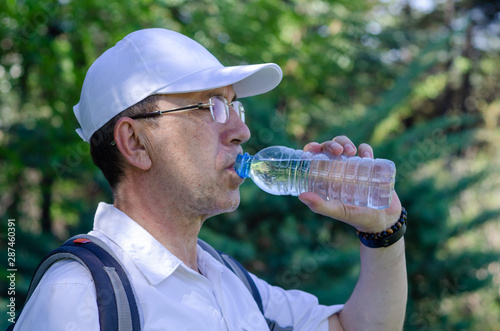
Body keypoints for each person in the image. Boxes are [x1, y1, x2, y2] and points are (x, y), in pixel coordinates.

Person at [14, 28, 407, 330]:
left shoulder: (230, 280)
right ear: (135, 143)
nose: (241, 130)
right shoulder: (80, 297)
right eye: (211, 106)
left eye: (235, 105)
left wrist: (383, 230)